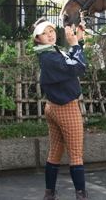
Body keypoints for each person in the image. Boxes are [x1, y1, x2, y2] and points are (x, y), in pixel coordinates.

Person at [31, 17, 89, 200]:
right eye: (44, 33)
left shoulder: (49, 53)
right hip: (66, 108)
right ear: (37, 39)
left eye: (51, 31)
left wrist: (77, 41)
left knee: (55, 151)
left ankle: (49, 194)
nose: (49, 35)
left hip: (53, 108)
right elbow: (79, 67)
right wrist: (75, 45)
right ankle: (81, 195)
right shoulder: (50, 57)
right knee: (75, 154)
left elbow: (71, 61)